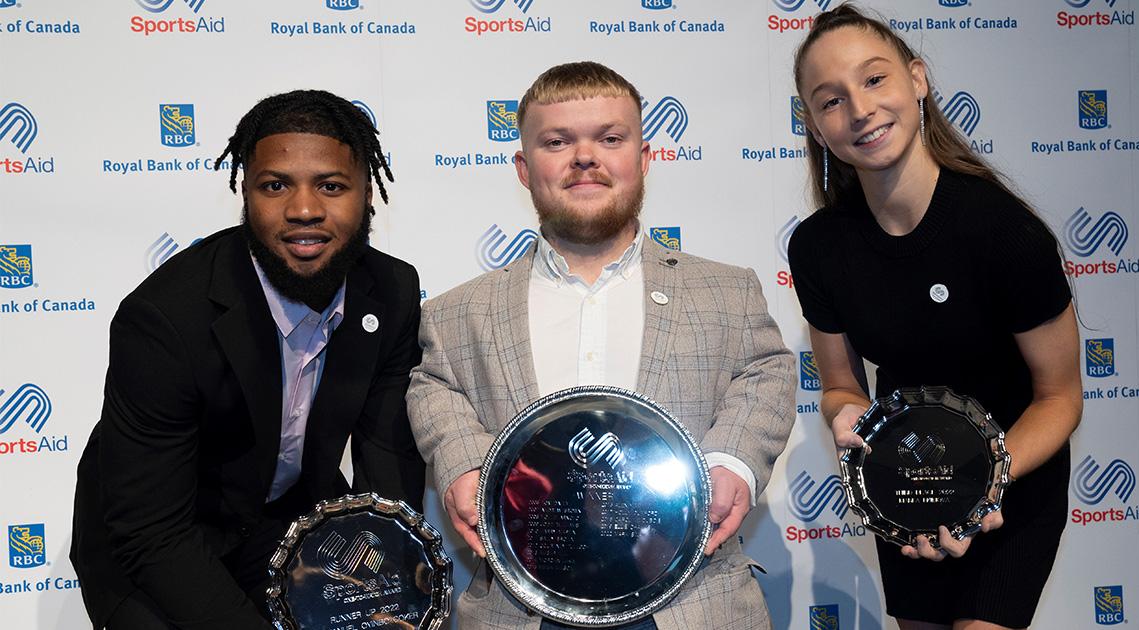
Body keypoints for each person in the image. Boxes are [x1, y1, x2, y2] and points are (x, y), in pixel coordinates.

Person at [406, 61, 797, 630]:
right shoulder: (455, 313)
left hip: (693, 601)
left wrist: (730, 459)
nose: (584, 157)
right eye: (557, 141)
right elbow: (435, 387)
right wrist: (469, 465)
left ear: (643, 159)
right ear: (523, 167)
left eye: (610, 139)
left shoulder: (727, 290)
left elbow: (766, 371)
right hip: (519, 605)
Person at [69, 90, 425, 630]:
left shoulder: (392, 290)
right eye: (275, 185)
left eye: (331, 186)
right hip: (158, 543)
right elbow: (150, 530)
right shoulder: (165, 318)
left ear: (367, 193)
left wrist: (391, 584)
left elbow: (386, 459)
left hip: (284, 522)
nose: (304, 209)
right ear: (245, 192)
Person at [786, 5, 1083, 630]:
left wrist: (986, 479)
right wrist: (845, 416)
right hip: (910, 480)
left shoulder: (1005, 232)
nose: (859, 109)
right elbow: (842, 384)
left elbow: (1059, 398)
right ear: (814, 126)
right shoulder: (817, 247)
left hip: (1013, 480)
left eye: (874, 80)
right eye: (830, 100)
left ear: (916, 80)